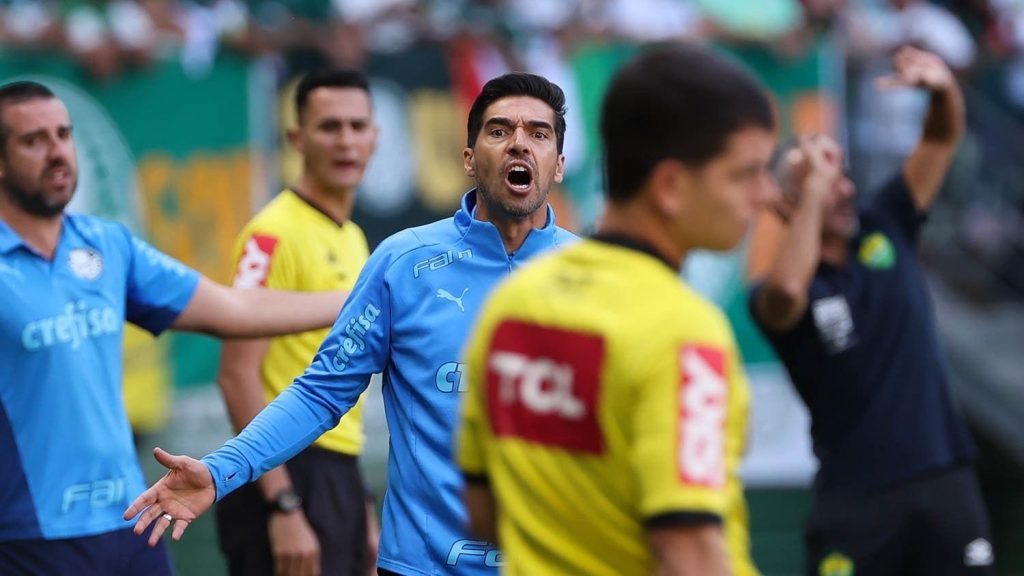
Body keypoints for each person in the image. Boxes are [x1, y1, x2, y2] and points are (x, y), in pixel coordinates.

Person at [124, 71, 577, 575]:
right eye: (498, 131)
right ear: (468, 159)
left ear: (557, 165)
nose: (518, 143)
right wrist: (220, 470)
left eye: (538, 134)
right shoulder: (403, 262)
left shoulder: (595, 276)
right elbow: (319, 392)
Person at [0, 80, 348, 575]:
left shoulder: (107, 244)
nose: (57, 152)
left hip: (133, 520)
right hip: (29, 537)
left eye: (63, 135)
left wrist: (363, 302)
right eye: (33, 140)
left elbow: (234, 310)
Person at [456, 42, 776, 576]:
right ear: (670, 186)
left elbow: (483, 511)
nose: (764, 194)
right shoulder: (684, 330)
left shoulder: (513, 305)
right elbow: (689, 553)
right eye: (745, 174)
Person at [748, 46, 994, 575]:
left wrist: (943, 89)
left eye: (840, 174)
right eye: (820, 178)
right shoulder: (774, 290)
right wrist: (811, 189)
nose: (842, 188)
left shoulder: (885, 224)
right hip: (855, 500)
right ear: (786, 203)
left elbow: (940, 137)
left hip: (944, 479)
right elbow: (788, 294)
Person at [215, 69, 379, 576]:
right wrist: (282, 504)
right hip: (284, 472)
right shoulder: (271, 234)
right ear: (296, 138)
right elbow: (237, 373)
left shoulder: (353, 237)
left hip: (339, 470)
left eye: (358, 125)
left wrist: (360, 507)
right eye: (330, 126)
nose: (346, 140)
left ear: (376, 135)